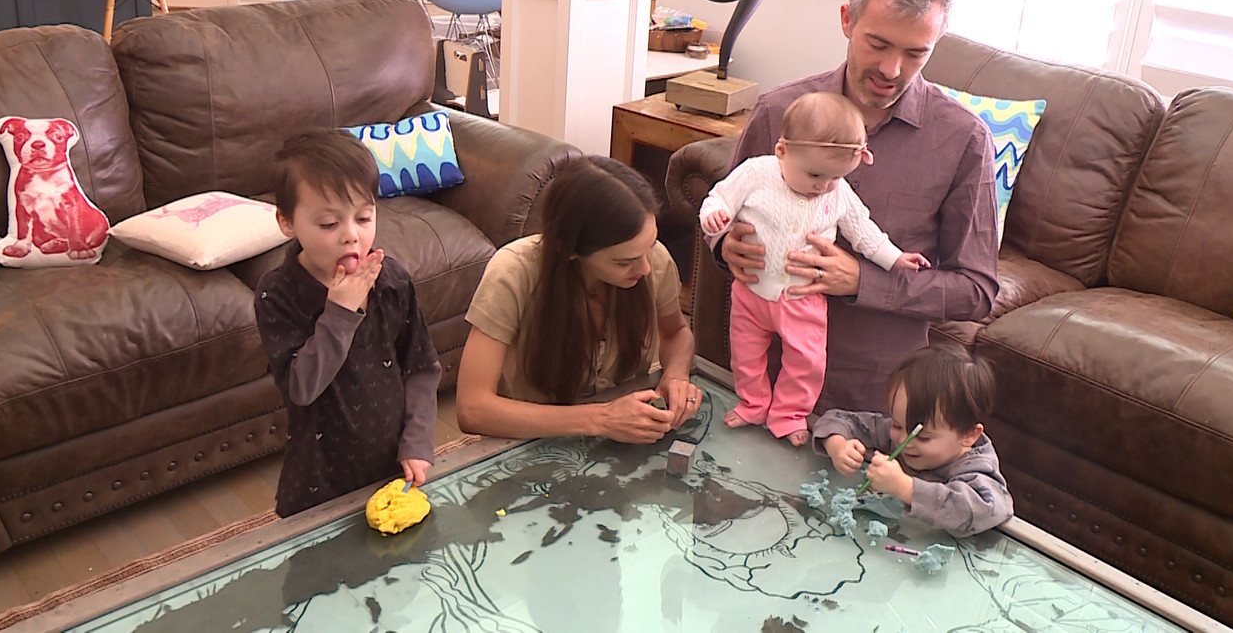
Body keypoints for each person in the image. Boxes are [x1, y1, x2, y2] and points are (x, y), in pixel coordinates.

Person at [717, 0, 1000, 415]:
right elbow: (723, 217)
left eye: (916, 53)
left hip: (876, 396)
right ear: (847, 20)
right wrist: (725, 247)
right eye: (878, 44)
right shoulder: (776, 113)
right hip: (762, 379)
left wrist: (861, 281)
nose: (892, 70)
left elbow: (977, 291)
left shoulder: (964, 141)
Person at [701, 92, 930, 446]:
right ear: (782, 151)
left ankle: (790, 414)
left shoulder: (837, 193)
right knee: (745, 353)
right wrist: (715, 218)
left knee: (807, 362)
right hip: (751, 290)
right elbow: (719, 198)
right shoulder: (756, 173)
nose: (822, 187)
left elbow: (863, 231)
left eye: (835, 178)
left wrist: (895, 257)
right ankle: (754, 402)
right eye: (814, 175)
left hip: (801, 297)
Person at [254, 130, 441, 518]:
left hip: (391, 466)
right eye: (328, 224)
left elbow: (421, 367)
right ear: (287, 222)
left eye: (364, 217)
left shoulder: (392, 281)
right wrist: (339, 313)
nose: (351, 236)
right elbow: (301, 387)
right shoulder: (279, 294)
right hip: (318, 479)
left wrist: (418, 439)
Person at [456, 155, 700, 443]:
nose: (645, 268)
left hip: (625, 440)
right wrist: (602, 419)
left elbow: (675, 333)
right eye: (624, 262)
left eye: (650, 246)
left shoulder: (653, 261)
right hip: (532, 440)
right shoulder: (513, 272)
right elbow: (472, 409)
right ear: (569, 250)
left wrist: (675, 375)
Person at [815, 343, 1012, 537]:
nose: (903, 441)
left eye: (923, 437)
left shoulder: (977, 469)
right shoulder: (900, 435)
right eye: (897, 424)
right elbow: (838, 419)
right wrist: (838, 445)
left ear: (968, 435)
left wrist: (904, 487)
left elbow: (988, 510)